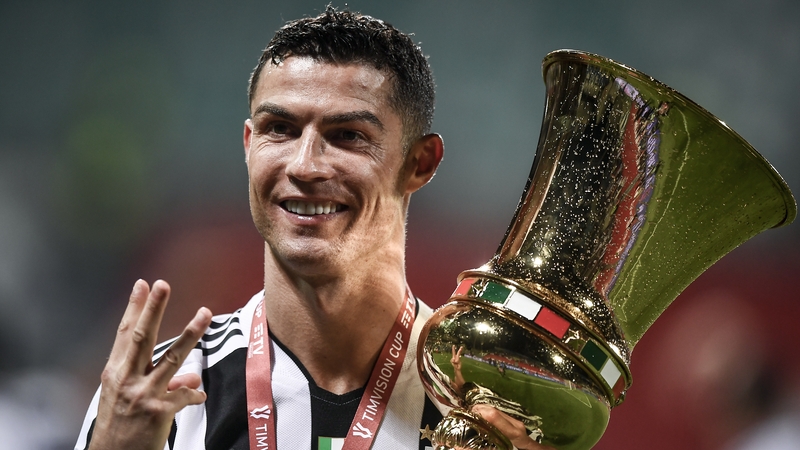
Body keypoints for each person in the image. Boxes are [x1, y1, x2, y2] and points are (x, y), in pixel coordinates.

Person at [75, 7, 545, 450]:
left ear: (420, 163)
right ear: (248, 143)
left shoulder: (485, 407)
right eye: (279, 128)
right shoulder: (162, 397)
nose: (304, 165)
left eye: (347, 136)